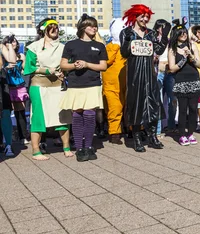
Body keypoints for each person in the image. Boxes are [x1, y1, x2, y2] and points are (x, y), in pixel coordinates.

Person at [120, 4, 170, 152]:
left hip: (150, 73)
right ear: (135, 16)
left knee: (153, 104)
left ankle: (153, 136)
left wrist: (165, 37)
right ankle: (136, 138)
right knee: (136, 105)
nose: (145, 19)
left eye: (147, 16)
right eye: (142, 16)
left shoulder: (151, 33)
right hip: (135, 74)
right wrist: (129, 42)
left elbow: (159, 51)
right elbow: (124, 53)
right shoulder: (126, 32)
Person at [59, 15, 108, 162]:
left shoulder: (99, 46)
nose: (94, 28)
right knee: (77, 115)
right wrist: (75, 65)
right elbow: (63, 65)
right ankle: (79, 148)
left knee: (90, 114)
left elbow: (103, 66)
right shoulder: (70, 45)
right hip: (75, 84)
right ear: (83, 27)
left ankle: (88, 146)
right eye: (91, 26)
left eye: (96, 26)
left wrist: (87, 64)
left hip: (93, 84)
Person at [24, 18, 72, 160]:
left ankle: (66, 147)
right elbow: (29, 67)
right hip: (39, 86)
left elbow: (67, 64)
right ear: (43, 29)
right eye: (51, 27)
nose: (54, 29)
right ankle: (35, 150)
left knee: (63, 117)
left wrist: (65, 72)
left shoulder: (64, 47)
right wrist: (45, 70)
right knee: (38, 118)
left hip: (58, 85)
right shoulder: (34, 47)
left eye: (56, 27)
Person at [168, 19, 200, 145]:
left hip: (194, 79)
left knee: (193, 108)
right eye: (180, 33)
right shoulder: (172, 49)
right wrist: (183, 59)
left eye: (184, 33)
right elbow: (172, 68)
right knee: (182, 109)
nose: (183, 35)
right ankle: (182, 134)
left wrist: (191, 56)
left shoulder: (192, 46)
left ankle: (191, 133)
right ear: (176, 34)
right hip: (181, 81)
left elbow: (199, 64)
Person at [102, 18, 127, 144]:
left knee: (130, 106)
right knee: (114, 107)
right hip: (112, 84)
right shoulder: (111, 46)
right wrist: (116, 44)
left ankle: (134, 129)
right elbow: (106, 60)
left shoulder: (129, 47)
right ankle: (114, 132)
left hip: (127, 82)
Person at [2, 35, 29, 145]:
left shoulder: (21, 55)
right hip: (7, 85)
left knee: (20, 112)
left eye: (14, 41)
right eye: (10, 41)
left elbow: (25, 69)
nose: (13, 43)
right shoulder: (3, 56)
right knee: (7, 112)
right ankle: (10, 135)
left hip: (18, 85)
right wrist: (5, 67)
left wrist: (22, 67)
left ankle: (23, 135)